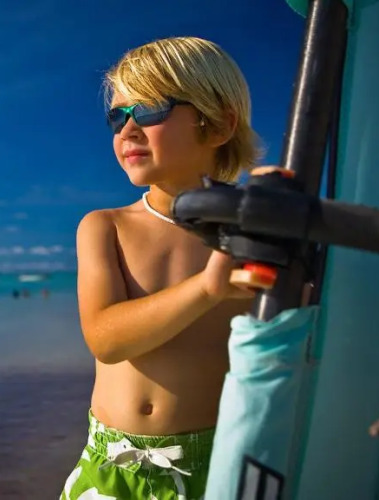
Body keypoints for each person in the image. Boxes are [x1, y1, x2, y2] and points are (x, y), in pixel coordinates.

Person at [60, 37, 260, 500]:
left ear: (218, 124)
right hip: (112, 467)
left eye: (149, 110)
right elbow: (106, 339)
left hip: (215, 463)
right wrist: (206, 289)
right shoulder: (106, 227)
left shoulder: (252, 234)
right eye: (118, 116)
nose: (128, 130)